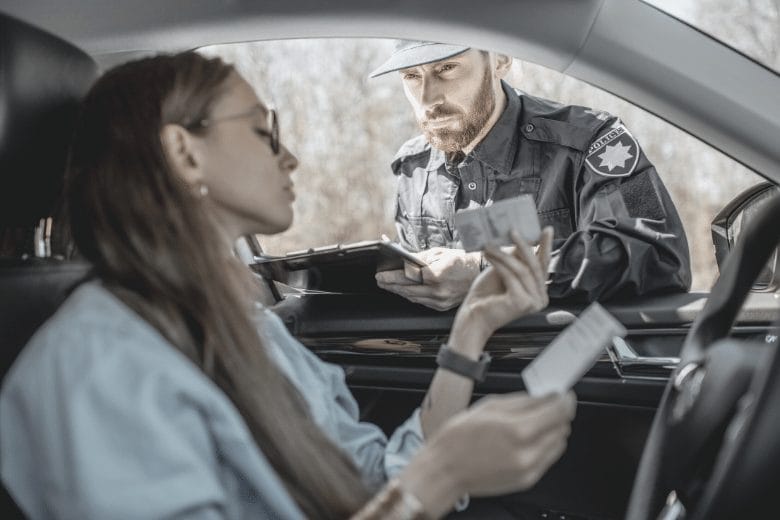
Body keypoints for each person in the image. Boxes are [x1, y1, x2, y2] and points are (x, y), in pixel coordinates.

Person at [0, 52, 575, 519]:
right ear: (184, 152)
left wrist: (472, 328)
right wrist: (439, 478)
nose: (292, 157)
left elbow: (373, 478)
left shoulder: (251, 330)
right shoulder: (96, 366)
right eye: (262, 131)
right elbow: (405, 489)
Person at [371, 41, 691, 310]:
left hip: (567, 373)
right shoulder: (413, 168)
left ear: (500, 59)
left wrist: (488, 272)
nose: (428, 99)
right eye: (412, 76)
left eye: (446, 69)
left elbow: (658, 257)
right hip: (447, 370)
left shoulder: (591, 143)